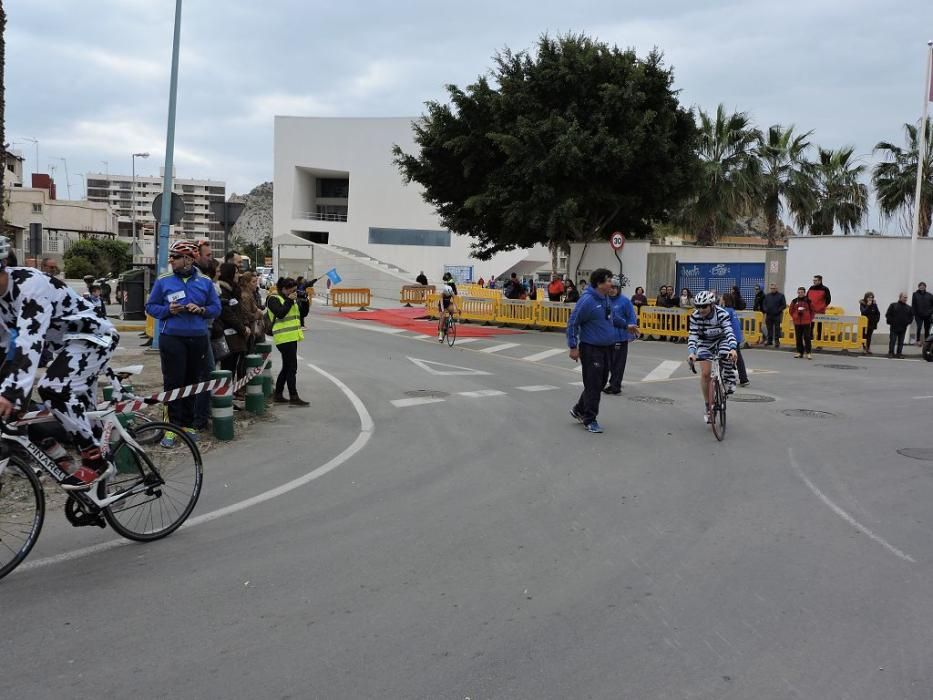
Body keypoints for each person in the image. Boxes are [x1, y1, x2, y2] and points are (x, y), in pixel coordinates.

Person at [0, 254, 121, 489]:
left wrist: (11, 392)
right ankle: (103, 492)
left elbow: (30, 343)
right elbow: (4, 347)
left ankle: (96, 462)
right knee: (84, 416)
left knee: (53, 389)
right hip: (66, 346)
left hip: (92, 336)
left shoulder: (30, 285)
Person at [145, 240, 221, 448]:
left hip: (197, 337)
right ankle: (171, 428)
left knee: (192, 383)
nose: (171, 260)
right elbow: (150, 307)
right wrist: (169, 310)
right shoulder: (163, 281)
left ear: (188, 259)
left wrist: (202, 310)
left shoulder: (205, 281)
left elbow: (216, 307)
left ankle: (188, 425)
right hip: (172, 337)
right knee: (173, 382)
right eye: (171, 256)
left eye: (176, 257)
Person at [567, 268, 628, 434]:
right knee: (593, 383)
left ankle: (579, 408)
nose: (612, 284)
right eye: (609, 280)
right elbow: (573, 323)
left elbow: (611, 318)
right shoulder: (587, 301)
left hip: (606, 347)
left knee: (600, 382)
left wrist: (626, 325)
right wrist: (573, 346)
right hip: (591, 348)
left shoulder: (606, 298)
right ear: (599, 283)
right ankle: (590, 419)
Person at [687, 291, 738, 424]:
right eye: (698, 306)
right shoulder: (694, 316)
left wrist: (733, 348)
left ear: (712, 305)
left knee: (726, 356)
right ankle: (708, 406)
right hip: (705, 342)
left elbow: (728, 331)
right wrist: (692, 352)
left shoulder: (722, 314)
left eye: (704, 306)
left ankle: (729, 379)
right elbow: (693, 335)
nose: (701, 309)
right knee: (705, 374)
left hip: (722, 340)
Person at [266, 278, 309, 406]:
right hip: (283, 338)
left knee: (287, 367)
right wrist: (290, 300)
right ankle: (293, 396)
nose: (294, 292)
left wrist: (305, 301)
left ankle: (278, 394)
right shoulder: (273, 299)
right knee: (292, 367)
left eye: (295, 290)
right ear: (283, 289)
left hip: (292, 337)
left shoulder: (291, 300)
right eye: (291, 290)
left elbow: (303, 314)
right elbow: (280, 313)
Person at [215, 262, 250, 383]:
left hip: (237, 336)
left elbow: (240, 310)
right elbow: (227, 314)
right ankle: (225, 396)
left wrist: (245, 324)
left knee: (233, 367)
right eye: (235, 273)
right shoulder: (222, 290)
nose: (238, 275)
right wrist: (242, 328)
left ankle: (229, 394)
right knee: (227, 368)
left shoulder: (234, 289)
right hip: (227, 336)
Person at [604, 276, 639, 395]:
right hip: (605, 338)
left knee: (618, 363)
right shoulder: (604, 300)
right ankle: (612, 382)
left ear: (618, 289)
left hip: (620, 337)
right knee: (607, 363)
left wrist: (632, 331)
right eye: (610, 287)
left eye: (615, 287)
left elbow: (631, 317)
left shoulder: (624, 301)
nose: (612, 290)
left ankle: (615, 385)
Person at [721, 292, 750, 387]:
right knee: (737, 358)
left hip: (731, 337)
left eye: (721, 298)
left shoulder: (726, 311)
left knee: (722, 356)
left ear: (724, 300)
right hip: (736, 336)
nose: (720, 299)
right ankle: (743, 379)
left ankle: (724, 378)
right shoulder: (732, 310)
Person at [240, 271, 265, 347]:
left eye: (256, 281)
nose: (256, 284)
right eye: (253, 282)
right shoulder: (245, 296)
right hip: (249, 331)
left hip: (252, 330)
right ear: (246, 283)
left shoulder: (250, 294)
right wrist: (257, 315)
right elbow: (246, 314)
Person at [788, 287, 814, 359]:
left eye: (801, 292)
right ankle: (799, 352)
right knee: (798, 337)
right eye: (799, 292)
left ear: (804, 293)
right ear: (797, 293)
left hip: (806, 322)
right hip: (797, 322)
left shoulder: (808, 301)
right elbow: (791, 310)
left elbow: (812, 311)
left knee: (807, 337)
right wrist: (794, 316)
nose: (800, 294)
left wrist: (810, 318)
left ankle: (808, 353)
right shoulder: (794, 301)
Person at [885, 292, 913, 358]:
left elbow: (911, 317)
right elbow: (888, 315)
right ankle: (891, 353)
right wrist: (892, 322)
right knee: (892, 341)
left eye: (906, 297)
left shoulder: (909, 308)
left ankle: (899, 354)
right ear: (900, 297)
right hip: (894, 327)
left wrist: (907, 322)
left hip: (903, 327)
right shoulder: (893, 305)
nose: (905, 299)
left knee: (901, 342)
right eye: (904, 297)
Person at [807, 274, 831, 344]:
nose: (814, 282)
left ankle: (819, 342)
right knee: (811, 326)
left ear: (820, 281)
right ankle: (810, 341)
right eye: (813, 280)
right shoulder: (811, 288)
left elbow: (828, 299)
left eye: (815, 280)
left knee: (819, 327)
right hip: (811, 311)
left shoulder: (825, 289)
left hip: (820, 311)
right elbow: (807, 297)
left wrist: (823, 306)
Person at [761, 283, 787, 348]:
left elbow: (783, 305)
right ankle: (769, 341)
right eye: (771, 288)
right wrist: (765, 309)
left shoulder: (781, 296)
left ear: (776, 288)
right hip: (769, 315)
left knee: (777, 329)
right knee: (769, 328)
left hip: (777, 315)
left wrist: (778, 310)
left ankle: (777, 341)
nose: (772, 290)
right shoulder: (767, 296)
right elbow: (764, 304)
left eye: (774, 288)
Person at [911, 281, 933, 346]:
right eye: (920, 285)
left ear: (925, 287)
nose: (922, 287)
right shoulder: (915, 294)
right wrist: (914, 313)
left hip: (927, 315)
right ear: (919, 287)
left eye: (923, 286)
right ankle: (918, 340)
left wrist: (930, 312)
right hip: (918, 315)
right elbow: (913, 305)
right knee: (919, 327)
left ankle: (926, 341)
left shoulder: (930, 295)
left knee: (927, 329)